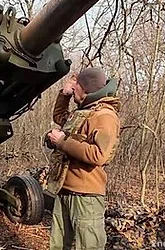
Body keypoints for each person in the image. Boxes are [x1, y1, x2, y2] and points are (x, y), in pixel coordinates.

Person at [45, 67, 121, 250]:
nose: (73, 88)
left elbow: (98, 155)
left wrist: (62, 141)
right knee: (58, 245)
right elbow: (61, 117)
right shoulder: (85, 111)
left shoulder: (104, 116)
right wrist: (64, 95)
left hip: (85, 197)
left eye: (76, 84)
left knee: (89, 246)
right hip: (65, 190)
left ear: (86, 88)